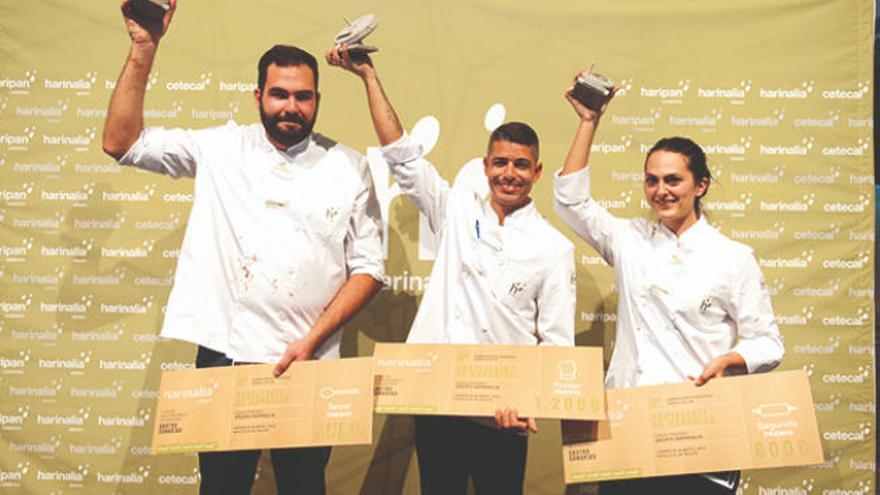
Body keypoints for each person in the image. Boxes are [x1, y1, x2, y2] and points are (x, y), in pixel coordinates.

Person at [101, 3, 384, 494]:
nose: (290, 107)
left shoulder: (350, 167)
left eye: (302, 96)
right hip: (224, 355)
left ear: (317, 99)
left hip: (310, 362)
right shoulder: (219, 148)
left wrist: (311, 340)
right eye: (278, 94)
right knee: (222, 487)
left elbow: (369, 269)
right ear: (258, 96)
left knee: (303, 488)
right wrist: (143, 49)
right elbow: (120, 142)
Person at [325, 46, 575, 495]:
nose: (509, 173)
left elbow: (556, 344)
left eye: (521, 164)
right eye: (500, 162)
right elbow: (401, 156)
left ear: (537, 172)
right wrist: (368, 76)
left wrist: (525, 402)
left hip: (502, 414)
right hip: (437, 402)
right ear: (486, 166)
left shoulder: (553, 249)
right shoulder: (457, 209)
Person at [552, 71, 785, 494]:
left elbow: (768, 343)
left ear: (701, 185)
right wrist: (589, 122)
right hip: (628, 433)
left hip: (699, 434)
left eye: (673, 180)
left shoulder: (733, 257)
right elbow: (570, 201)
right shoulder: (630, 240)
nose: (661, 190)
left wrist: (729, 361)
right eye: (652, 180)